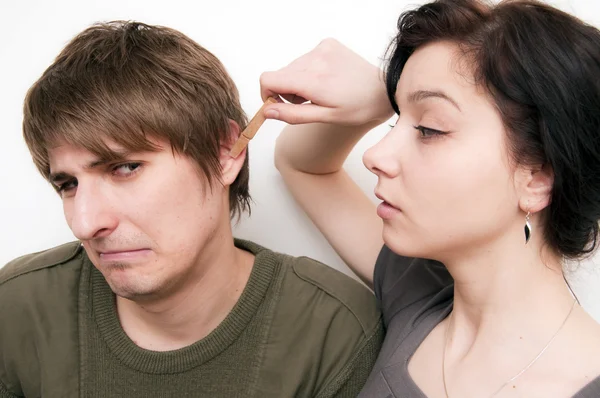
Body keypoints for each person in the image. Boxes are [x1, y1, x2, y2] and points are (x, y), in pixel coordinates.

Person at [0, 21, 383, 398]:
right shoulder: (17, 307)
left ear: (223, 154)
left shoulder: (333, 332)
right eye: (68, 185)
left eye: (125, 168)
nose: (85, 223)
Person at [260, 0, 600, 396]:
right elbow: (300, 164)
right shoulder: (419, 295)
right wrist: (387, 93)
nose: (375, 155)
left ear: (538, 177)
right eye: (395, 120)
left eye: (429, 129)